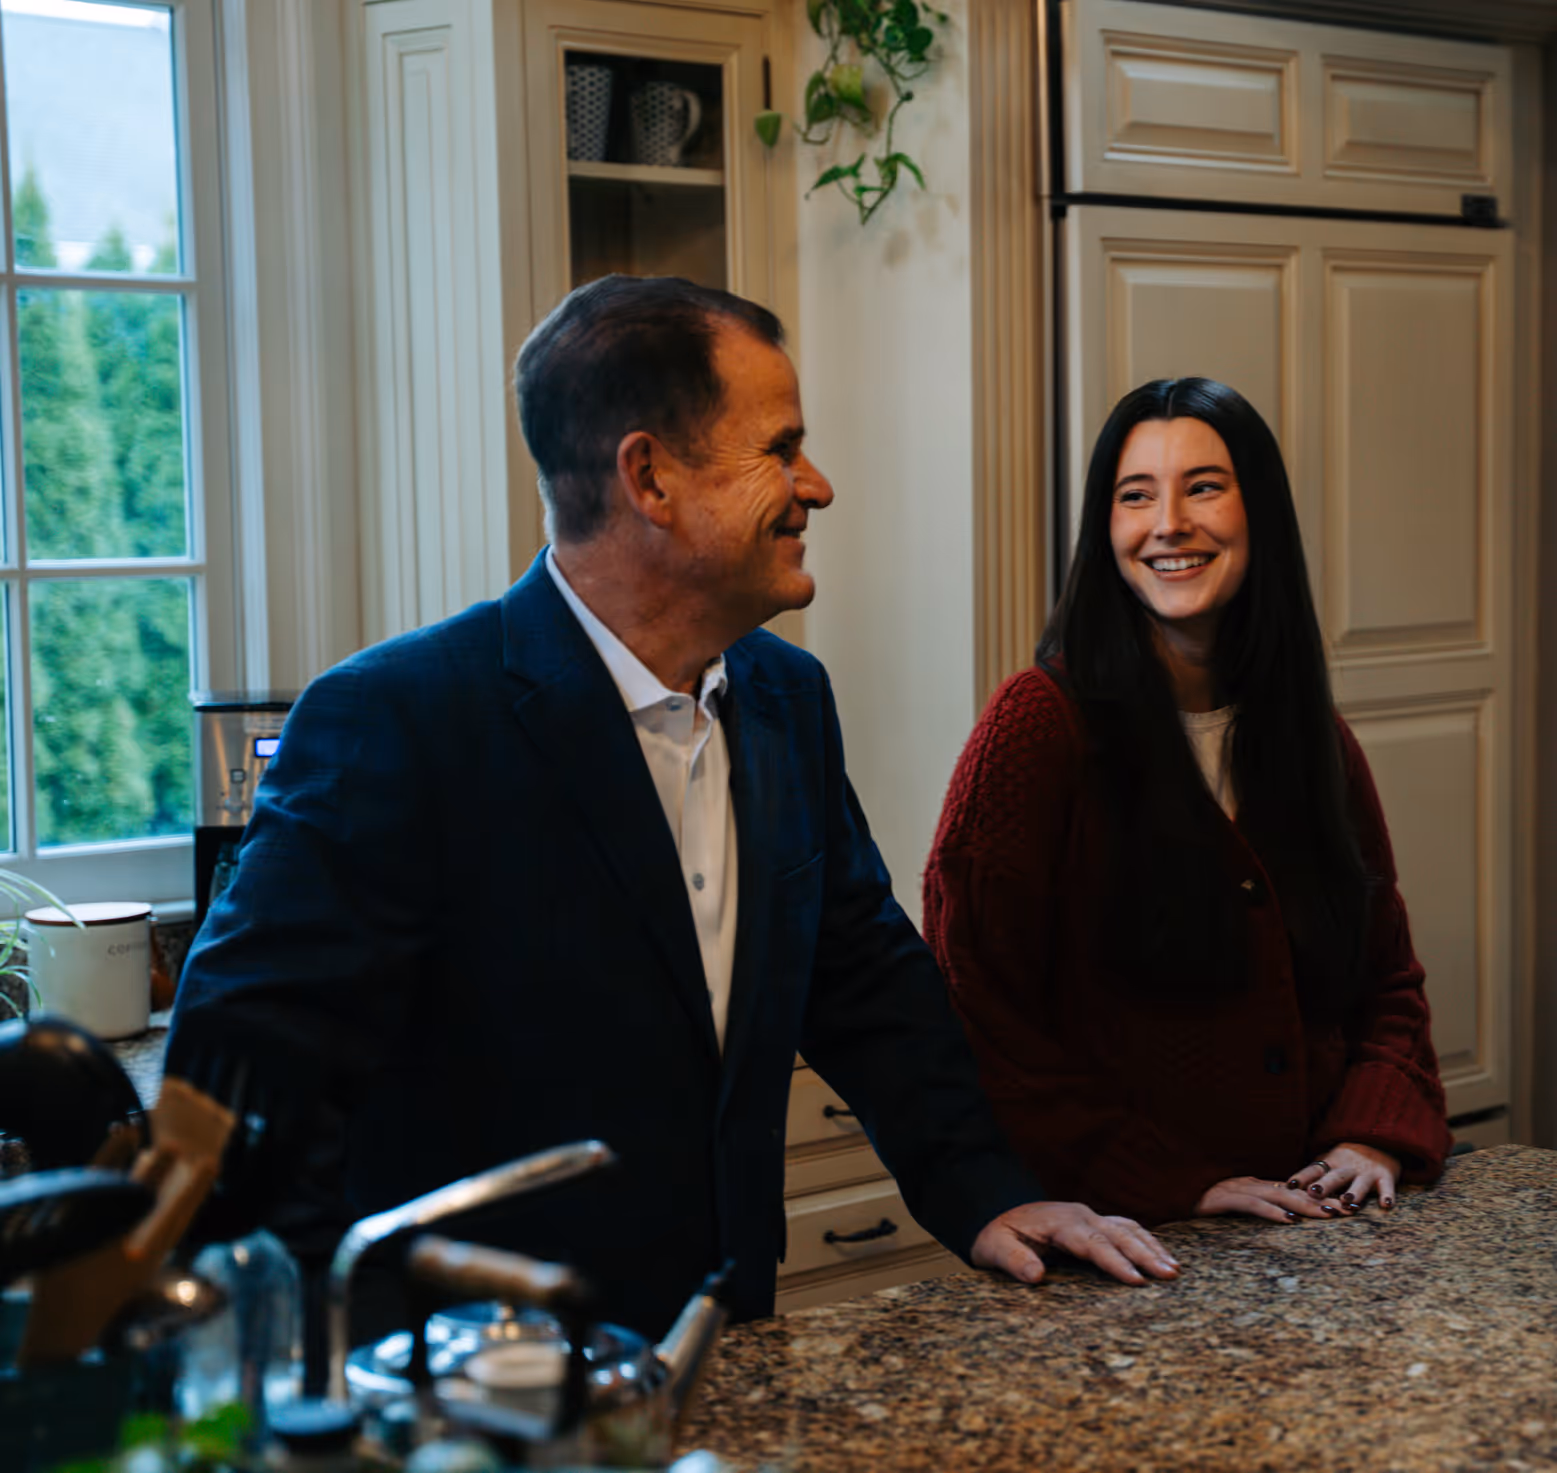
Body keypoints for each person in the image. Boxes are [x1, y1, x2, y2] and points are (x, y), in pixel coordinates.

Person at [168, 276, 1178, 1352]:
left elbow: (863, 976)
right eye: (779, 449)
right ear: (650, 477)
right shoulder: (397, 722)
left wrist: (984, 1189)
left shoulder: (790, 701)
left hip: (723, 1362)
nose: (816, 485)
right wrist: (358, 1360)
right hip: (477, 1402)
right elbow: (240, 1085)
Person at [924, 378, 1451, 1231]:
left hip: (1321, 1226)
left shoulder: (1309, 732)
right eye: (1135, 496)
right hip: (1130, 1239)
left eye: (1202, 486)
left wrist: (1370, 1133)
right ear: (1106, 529)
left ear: (1259, 513)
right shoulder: (1034, 727)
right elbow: (979, 1004)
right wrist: (1169, 1183)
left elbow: (1386, 978)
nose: (1167, 522)